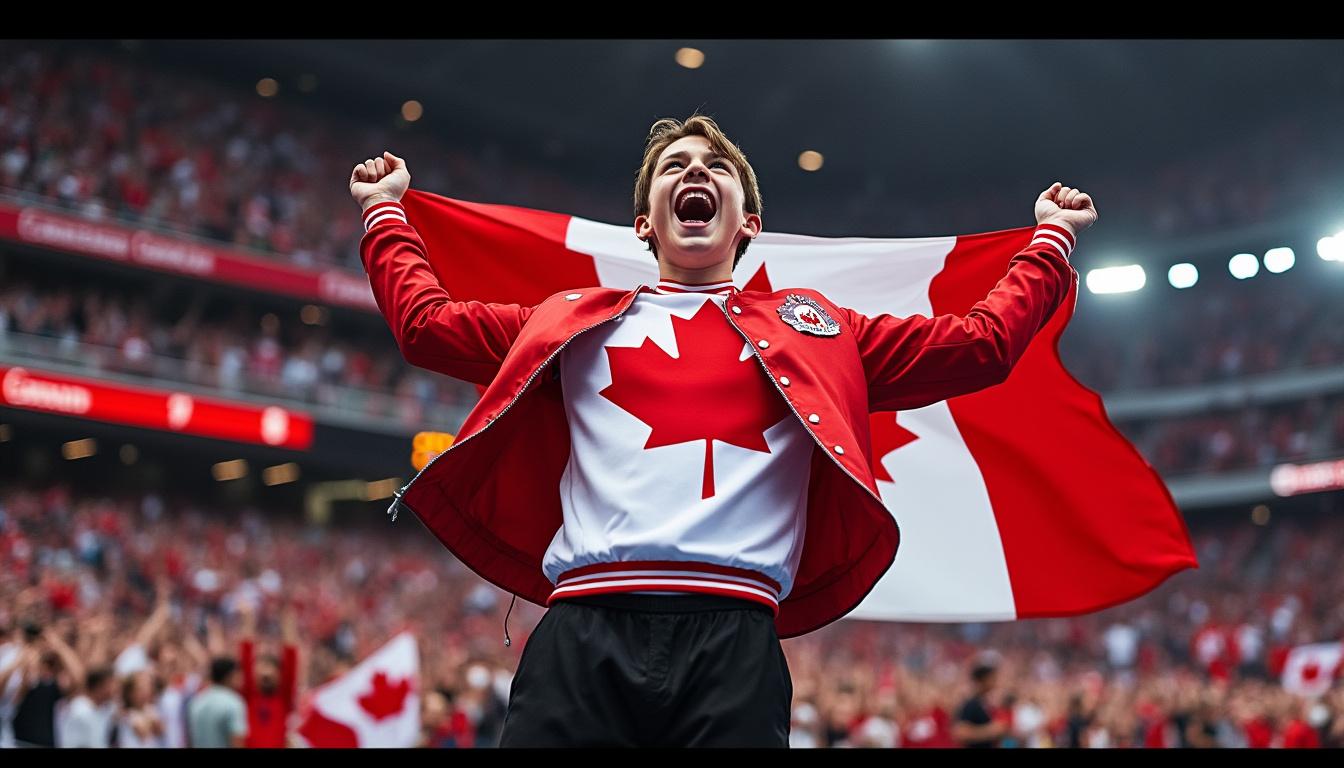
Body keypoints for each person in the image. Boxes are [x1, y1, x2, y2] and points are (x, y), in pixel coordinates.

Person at [349, 114, 1096, 747]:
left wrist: (1051, 241)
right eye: (673, 165)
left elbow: (979, 346)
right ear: (646, 223)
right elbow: (427, 328)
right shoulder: (571, 323)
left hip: (735, 637)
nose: (694, 171)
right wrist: (384, 212)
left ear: (749, 224)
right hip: (583, 628)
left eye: (716, 166)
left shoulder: (818, 331)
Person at [187, 656, 248, 748]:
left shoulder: (197, 701)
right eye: (238, 675)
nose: (241, 679)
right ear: (229, 676)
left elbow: (190, 739)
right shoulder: (233, 703)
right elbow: (237, 741)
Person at [953, 655, 1008, 748]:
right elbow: (961, 732)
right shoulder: (971, 704)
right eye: (992, 678)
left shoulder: (985, 703)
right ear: (983, 680)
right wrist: (991, 730)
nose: (995, 682)